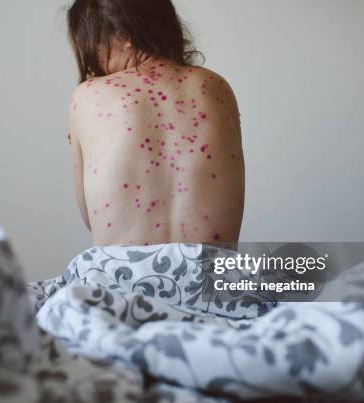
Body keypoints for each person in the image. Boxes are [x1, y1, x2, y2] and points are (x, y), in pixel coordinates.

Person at [67, 0, 244, 246]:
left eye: (92, 40)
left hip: (120, 278)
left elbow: (89, 218)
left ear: (125, 34)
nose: (91, 56)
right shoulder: (216, 87)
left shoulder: (87, 96)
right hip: (212, 276)